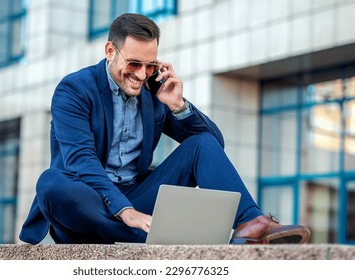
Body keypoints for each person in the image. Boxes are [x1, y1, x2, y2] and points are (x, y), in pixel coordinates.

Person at [19, 13, 310, 245]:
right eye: (134, 63)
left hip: (138, 196)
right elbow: (81, 161)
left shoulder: (153, 92)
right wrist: (127, 212)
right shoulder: (74, 89)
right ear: (110, 50)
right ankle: (154, 235)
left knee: (201, 145)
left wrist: (177, 105)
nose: (141, 74)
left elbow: (212, 144)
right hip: (87, 203)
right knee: (51, 184)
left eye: (150, 65)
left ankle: (252, 223)